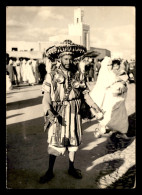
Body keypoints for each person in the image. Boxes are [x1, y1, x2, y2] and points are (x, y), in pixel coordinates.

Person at [39, 40, 103, 183]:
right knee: (56, 141)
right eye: (65, 58)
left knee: (73, 142)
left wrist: (94, 106)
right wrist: (48, 111)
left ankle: (71, 167)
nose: (68, 61)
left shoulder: (79, 75)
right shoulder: (51, 75)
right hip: (58, 113)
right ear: (59, 59)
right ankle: (49, 171)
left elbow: (85, 94)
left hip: (75, 112)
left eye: (70, 58)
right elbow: (46, 97)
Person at [89, 56, 129, 139]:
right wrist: (115, 81)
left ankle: (122, 131)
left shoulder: (113, 73)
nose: (110, 67)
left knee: (121, 115)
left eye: (111, 65)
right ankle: (103, 127)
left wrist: (121, 83)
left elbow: (123, 79)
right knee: (108, 115)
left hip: (118, 98)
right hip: (108, 99)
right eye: (108, 65)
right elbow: (102, 87)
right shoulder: (103, 74)